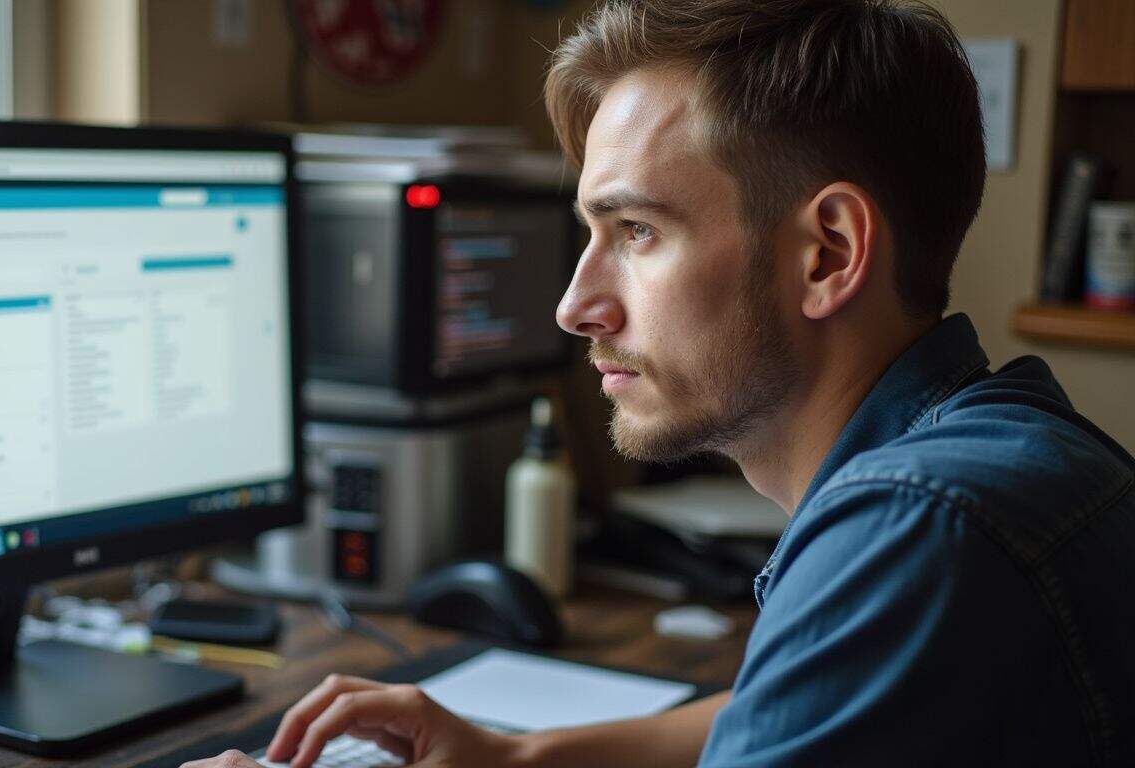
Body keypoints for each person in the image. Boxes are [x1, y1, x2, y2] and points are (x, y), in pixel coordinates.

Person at [186, 1, 1135, 765]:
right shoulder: (1007, 431)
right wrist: (519, 759)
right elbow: (771, 711)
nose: (573, 304)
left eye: (636, 231)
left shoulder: (918, 529)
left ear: (828, 254)